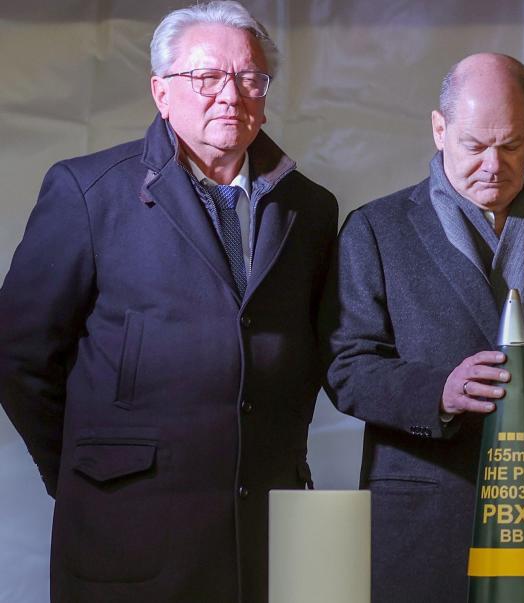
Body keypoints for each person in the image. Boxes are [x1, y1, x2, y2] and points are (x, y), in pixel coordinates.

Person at [0, 2, 338, 601]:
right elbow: (19, 354)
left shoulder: (309, 209)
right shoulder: (89, 191)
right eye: (207, 78)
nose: (230, 95)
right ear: (161, 91)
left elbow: (316, 355)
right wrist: (85, 471)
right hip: (127, 524)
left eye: (249, 78)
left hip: (270, 523)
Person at [322, 53, 524, 603]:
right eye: (475, 145)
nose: (492, 165)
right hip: (418, 530)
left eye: (510, 146)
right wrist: (439, 392)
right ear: (439, 129)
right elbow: (346, 369)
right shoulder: (376, 230)